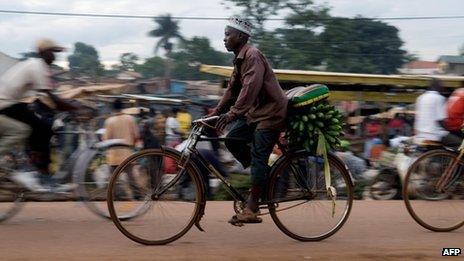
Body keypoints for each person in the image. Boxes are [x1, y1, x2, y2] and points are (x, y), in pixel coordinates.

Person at [208, 17, 288, 224]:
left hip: (270, 113)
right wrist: (215, 112)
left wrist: (232, 113)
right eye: (225, 34)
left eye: (228, 34)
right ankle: (264, 178)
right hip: (255, 113)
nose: (224, 39)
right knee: (233, 139)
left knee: (259, 156)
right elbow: (232, 90)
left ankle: (252, 208)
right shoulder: (239, 59)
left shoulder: (252, 56)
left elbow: (249, 89)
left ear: (241, 36)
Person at [0, 39, 77, 190]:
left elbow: (44, 99)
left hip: (11, 102)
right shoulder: (38, 66)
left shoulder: (34, 65)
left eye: (55, 53)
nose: (54, 56)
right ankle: (40, 174)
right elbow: (50, 96)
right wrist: (73, 108)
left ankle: (36, 171)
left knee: (40, 128)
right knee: (39, 129)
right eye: (52, 52)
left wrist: (63, 108)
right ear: (43, 53)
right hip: (5, 103)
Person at [103, 99, 140, 199]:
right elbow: (136, 136)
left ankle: (115, 196)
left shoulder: (109, 121)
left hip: (113, 154)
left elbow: (106, 139)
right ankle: (137, 195)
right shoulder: (130, 119)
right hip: (127, 152)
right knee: (131, 176)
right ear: (123, 107)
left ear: (112, 108)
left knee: (113, 179)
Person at [414, 78, 460, 147]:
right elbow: (440, 119)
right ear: (438, 87)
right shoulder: (439, 98)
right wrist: (449, 130)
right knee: (460, 143)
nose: (442, 88)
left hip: (421, 134)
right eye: (441, 86)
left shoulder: (420, 98)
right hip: (435, 134)